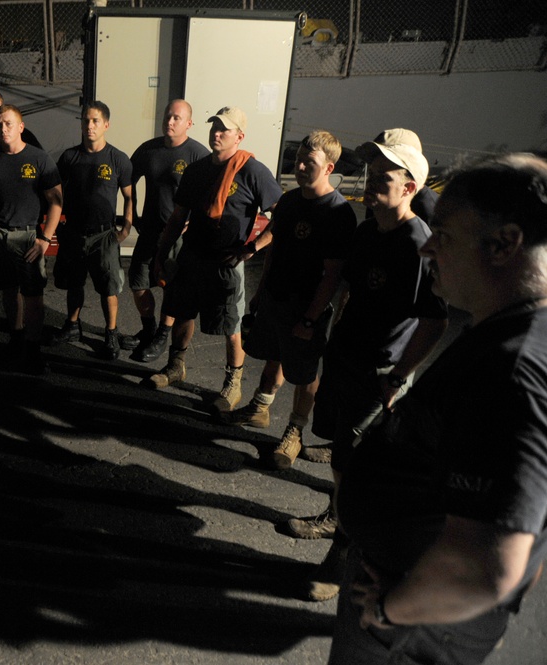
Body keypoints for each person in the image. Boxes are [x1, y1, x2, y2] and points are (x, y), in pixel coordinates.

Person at [327, 153, 547, 665]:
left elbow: (486, 568)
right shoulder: (509, 335)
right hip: (419, 599)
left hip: (411, 625)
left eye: (444, 234)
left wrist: (391, 607)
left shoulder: (514, 368)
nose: (429, 246)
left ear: (504, 243)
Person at [296, 129, 447, 603]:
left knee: (357, 468)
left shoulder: (418, 243)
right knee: (343, 457)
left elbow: (434, 321)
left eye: (387, 173)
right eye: (373, 169)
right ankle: (337, 517)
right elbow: (349, 289)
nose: (374, 177)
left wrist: (399, 378)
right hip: (346, 359)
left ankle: (342, 554)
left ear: (410, 187)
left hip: (379, 373)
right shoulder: (366, 231)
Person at [222, 131, 357, 469]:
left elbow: (332, 275)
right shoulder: (290, 201)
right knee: (275, 355)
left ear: (328, 168)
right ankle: (259, 409)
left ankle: (295, 431)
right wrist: (260, 290)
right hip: (275, 297)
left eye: (308, 162)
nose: (298, 166)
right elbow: (276, 247)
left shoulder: (338, 212)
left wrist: (310, 319)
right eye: (297, 159)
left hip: (306, 306)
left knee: (305, 372)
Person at [148, 107, 281, 410]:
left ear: (239, 136)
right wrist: (161, 253)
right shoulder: (196, 170)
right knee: (182, 312)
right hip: (192, 256)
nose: (217, 133)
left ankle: (232, 386)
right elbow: (178, 216)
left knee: (231, 327)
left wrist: (253, 247)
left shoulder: (253, 171)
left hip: (226, 263)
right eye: (214, 127)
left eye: (225, 129)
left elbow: (281, 216)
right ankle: (175, 367)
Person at [0, 105, 62, 374]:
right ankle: (15, 340)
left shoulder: (39, 159)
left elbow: (56, 202)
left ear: (21, 127)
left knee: (33, 295)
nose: (4, 128)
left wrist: (44, 239)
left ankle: (33, 350)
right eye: (0, 123)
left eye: (9, 124)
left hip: (27, 237)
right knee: (8, 290)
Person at [125, 99, 210, 361]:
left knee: (171, 288)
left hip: (178, 236)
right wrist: (133, 214)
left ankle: (163, 334)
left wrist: (192, 223)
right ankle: (149, 329)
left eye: (176, 118)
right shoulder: (148, 150)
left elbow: (210, 196)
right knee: (138, 281)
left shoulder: (198, 155)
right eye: (167, 116)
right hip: (150, 230)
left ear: (189, 123)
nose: (170, 122)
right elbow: (128, 181)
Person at [53, 100, 133, 360]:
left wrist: (126, 226)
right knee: (75, 282)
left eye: (95, 121)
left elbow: (129, 196)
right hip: (74, 232)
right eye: (86, 120)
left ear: (106, 125)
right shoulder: (69, 157)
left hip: (104, 235)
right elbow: (55, 194)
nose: (89, 125)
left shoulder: (118, 159)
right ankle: (73, 326)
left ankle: (111, 334)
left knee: (108, 287)